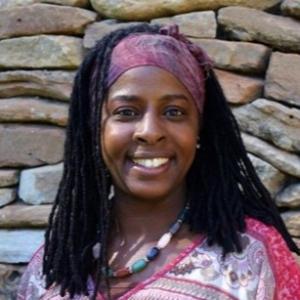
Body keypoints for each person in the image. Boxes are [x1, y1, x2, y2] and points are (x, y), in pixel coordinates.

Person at [18, 23, 300, 300]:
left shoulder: (253, 255)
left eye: (174, 112)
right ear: (95, 129)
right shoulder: (54, 266)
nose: (150, 132)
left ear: (199, 129)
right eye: (126, 112)